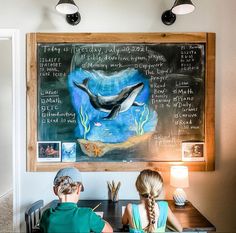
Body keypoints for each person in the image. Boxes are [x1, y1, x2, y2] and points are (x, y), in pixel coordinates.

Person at [40, 167, 113, 233]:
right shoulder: (88, 214)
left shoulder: (46, 215)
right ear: (79, 189)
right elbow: (109, 231)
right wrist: (97, 219)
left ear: (55, 190)